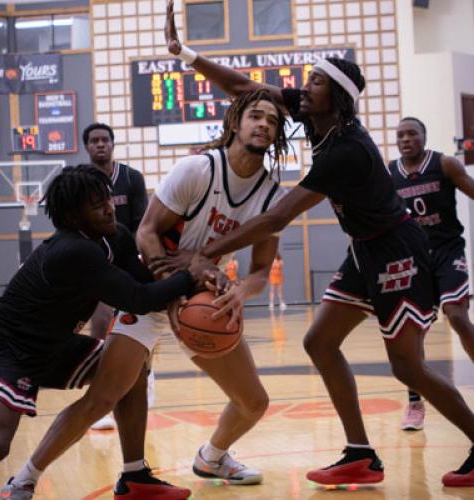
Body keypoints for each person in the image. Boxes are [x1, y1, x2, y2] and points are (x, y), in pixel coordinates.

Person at [164, 1, 474, 487]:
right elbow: (247, 90)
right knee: (319, 342)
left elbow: (277, 216)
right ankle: (360, 454)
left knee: (407, 366)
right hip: (364, 250)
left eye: (315, 82)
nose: (303, 88)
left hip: (400, 253)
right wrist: (188, 56)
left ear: (338, 97)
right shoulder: (316, 118)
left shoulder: (346, 149)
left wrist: (208, 253)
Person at [0, 165, 210, 499]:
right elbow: (138, 299)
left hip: (52, 345)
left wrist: (179, 283)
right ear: (74, 215)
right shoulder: (74, 250)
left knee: (129, 375)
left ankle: (135, 475)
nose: (109, 207)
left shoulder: (115, 235)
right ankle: (20, 483)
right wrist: (189, 273)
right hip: (9, 350)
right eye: (97, 204)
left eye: (108, 198)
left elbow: (143, 283)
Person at [122, 88, 288, 486]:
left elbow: (262, 269)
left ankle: (212, 458)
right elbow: (146, 232)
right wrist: (172, 291)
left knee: (254, 402)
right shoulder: (197, 169)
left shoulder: (272, 197)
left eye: (273, 120)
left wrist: (241, 291)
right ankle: (27, 479)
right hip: (147, 287)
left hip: (203, 299)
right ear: (235, 122)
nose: (264, 123)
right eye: (256, 115)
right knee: (107, 392)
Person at [389, 116, 474, 431]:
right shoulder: (389, 174)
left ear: (424, 137)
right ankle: (414, 403)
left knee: (457, 316)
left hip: (447, 252)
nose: (406, 139)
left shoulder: (445, 164)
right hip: (412, 260)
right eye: (401, 135)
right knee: (412, 333)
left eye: (412, 133)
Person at [83, 122, 150, 430]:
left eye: (104, 140)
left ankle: (147, 376)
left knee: (142, 323)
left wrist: (137, 257)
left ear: (112, 144)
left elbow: (143, 222)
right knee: (99, 323)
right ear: (87, 147)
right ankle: (100, 391)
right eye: (94, 141)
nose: (100, 145)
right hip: (96, 259)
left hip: (128, 257)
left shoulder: (131, 178)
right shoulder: (82, 182)